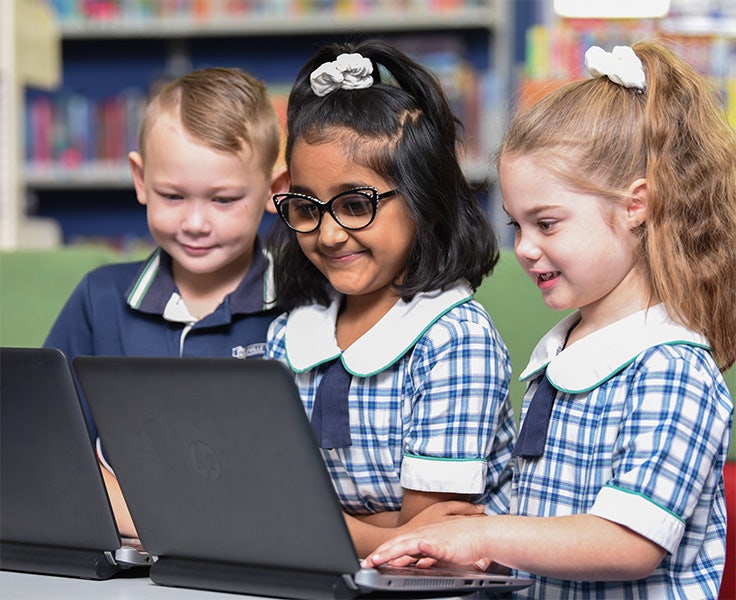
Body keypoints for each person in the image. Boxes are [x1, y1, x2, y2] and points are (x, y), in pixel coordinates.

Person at [365, 40, 736, 597]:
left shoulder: (671, 365)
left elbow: (628, 542)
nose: (526, 249)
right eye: (516, 226)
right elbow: (541, 516)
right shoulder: (561, 352)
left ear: (637, 205)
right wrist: (455, 546)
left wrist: (486, 539)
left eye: (547, 223)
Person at [264, 40, 515, 558]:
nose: (329, 235)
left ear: (424, 200)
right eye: (307, 208)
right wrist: (385, 528)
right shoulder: (288, 334)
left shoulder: (453, 337)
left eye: (355, 205)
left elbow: (429, 540)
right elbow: (268, 498)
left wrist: (319, 521)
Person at [45, 67, 288, 537]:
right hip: (123, 544)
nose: (195, 223)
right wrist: (152, 522)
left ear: (274, 190)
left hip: (257, 544)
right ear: (140, 179)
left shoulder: (303, 304)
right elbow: (48, 441)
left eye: (223, 199)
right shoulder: (99, 299)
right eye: (172, 196)